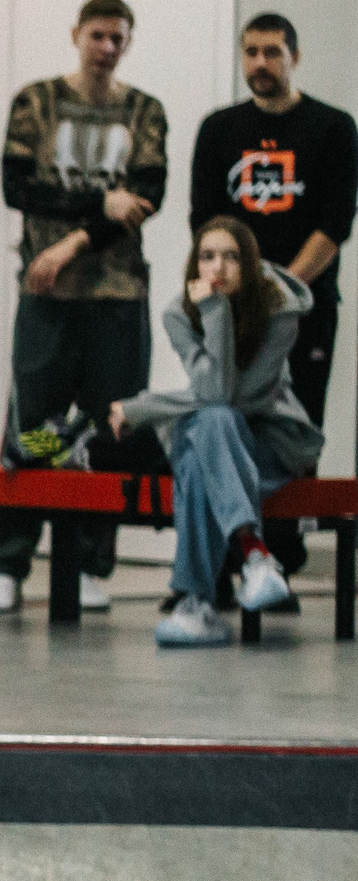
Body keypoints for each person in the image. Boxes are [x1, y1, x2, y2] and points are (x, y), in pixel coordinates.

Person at [0, 0, 169, 616]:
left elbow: (146, 198)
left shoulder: (145, 111)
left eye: (118, 38)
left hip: (117, 297)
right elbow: (19, 187)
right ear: (76, 35)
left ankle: (94, 566)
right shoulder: (35, 102)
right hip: (47, 295)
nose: (106, 48)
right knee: (34, 425)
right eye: (97, 35)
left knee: (107, 429)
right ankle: (6, 561)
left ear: (128, 42)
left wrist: (71, 240)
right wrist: (99, 208)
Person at [189, 12, 357, 591]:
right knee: (229, 415)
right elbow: (204, 218)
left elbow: (335, 224)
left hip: (305, 307)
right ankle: (237, 555)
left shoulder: (333, 128)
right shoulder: (219, 130)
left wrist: (282, 289)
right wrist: (238, 288)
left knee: (294, 425)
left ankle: (281, 556)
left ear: (295, 57)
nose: (260, 63)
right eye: (251, 52)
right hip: (232, 306)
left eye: (273, 52)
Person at [109, 219, 317, 647]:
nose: (217, 267)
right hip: (220, 440)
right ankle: (256, 557)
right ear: (194, 264)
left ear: (250, 263)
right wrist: (214, 311)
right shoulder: (177, 313)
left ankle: (196, 604)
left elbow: (236, 398)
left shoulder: (280, 310)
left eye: (230, 256)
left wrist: (142, 408)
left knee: (208, 432)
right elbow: (213, 396)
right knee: (209, 429)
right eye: (207, 257)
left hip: (270, 445)